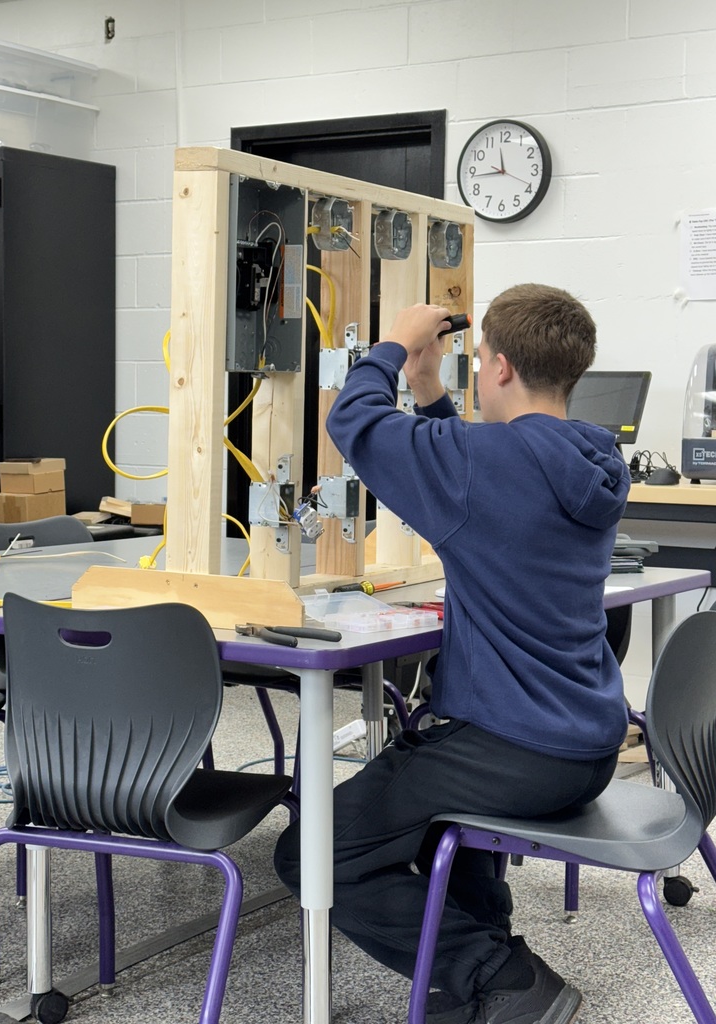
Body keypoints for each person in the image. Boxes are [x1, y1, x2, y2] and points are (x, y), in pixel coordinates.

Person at [274, 283, 630, 1024]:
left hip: (513, 746)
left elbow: (354, 421)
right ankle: (471, 973)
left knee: (311, 849)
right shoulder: (597, 458)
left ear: (496, 367)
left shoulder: (481, 460)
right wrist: (432, 390)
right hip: (586, 737)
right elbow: (476, 474)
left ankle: (498, 976)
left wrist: (396, 344)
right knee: (434, 812)